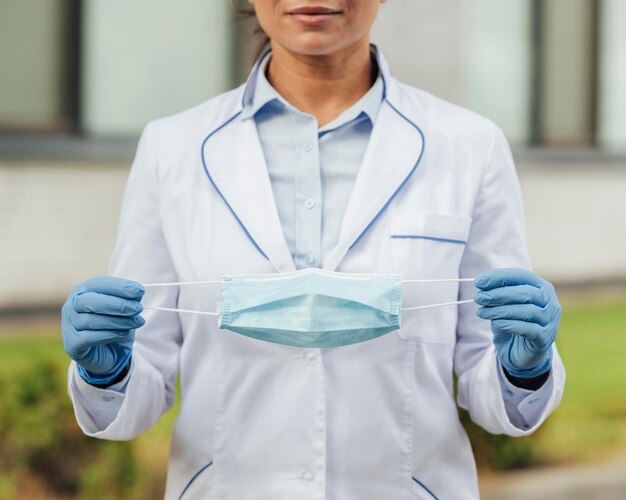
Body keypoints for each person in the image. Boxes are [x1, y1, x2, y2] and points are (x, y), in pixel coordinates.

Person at [61, 1, 565, 499]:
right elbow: (139, 387)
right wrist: (109, 370)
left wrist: (523, 368)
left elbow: (497, 396)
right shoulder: (171, 149)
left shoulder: (468, 147)